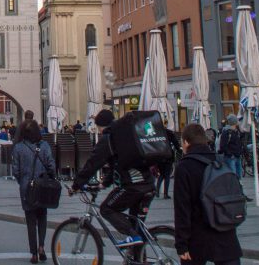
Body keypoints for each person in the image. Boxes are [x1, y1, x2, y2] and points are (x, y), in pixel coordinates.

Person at [72, 110, 155, 247]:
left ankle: (134, 236)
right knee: (136, 230)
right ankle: (138, 259)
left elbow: (93, 163)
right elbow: (118, 164)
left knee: (107, 209)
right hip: (148, 184)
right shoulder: (126, 135)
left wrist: (76, 185)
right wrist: (104, 184)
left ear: (101, 126)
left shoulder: (108, 138)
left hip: (133, 187)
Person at [173, 123, 243, 265]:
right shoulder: (220, 161)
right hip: (226, 232)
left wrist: (181, 244)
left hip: (198, 236)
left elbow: (182, 209)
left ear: (186, 142)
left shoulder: (185, 167)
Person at [12, 118, 55, 263]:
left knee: (30, 221)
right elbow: (51, 165)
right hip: (43, 187)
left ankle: (34, 254)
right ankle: (42, 246)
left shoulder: (18, 147)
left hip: (27, 188)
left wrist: (22, 182)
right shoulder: (44, 146)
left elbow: (15, 170)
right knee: (42, 217)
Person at [155, 127, 181, 199]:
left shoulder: (157, 133)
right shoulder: (170, 133)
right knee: (167, 175)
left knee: (161, 174)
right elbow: (176, 143)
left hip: (159, 156)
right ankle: (165, 194)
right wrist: (178, 148)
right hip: (168, 156)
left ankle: (157, 191)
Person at [217, 114, 244, 178]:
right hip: (231, 157)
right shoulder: (227, 132)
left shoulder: (236, 131)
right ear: (234, 122)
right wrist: (230, 154)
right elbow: (223, 145)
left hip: (237, 156)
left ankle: (238, 186)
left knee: (238, 175)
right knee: (233, 175)